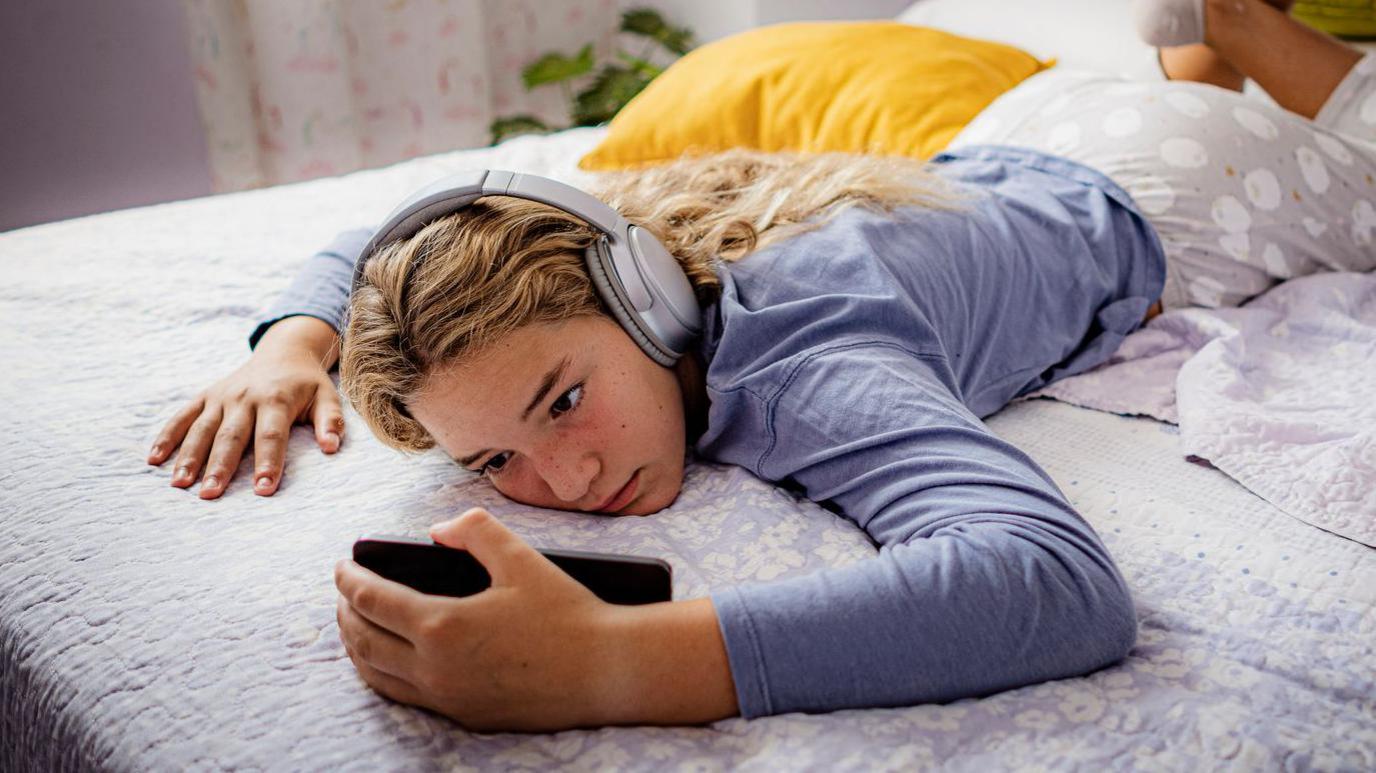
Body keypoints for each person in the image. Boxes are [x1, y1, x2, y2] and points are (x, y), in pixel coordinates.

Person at [146, 0, 1376, 732]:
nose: (565, 477)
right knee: (1193, 60)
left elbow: (1055, 584)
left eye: (563, 401)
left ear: (639, 294)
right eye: (495, 459)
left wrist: (613, 660)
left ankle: (1246, 31)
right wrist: (290, 350)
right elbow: (389, 248)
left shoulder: (820, 365)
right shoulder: (613, 259)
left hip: (1200, 189)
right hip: (1026, 133)